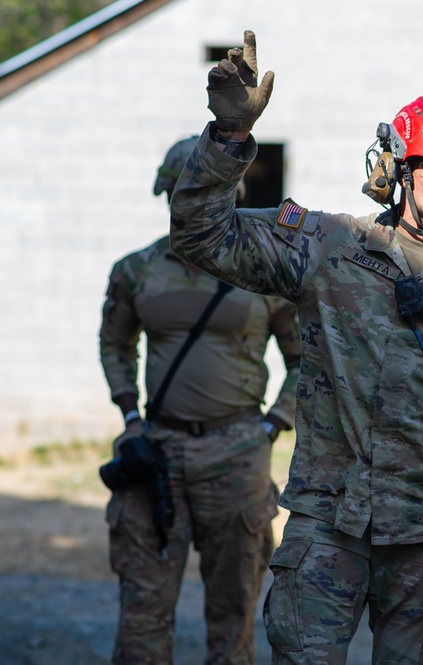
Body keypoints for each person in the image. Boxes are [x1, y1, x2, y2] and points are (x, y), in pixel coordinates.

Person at [168, 31, 423, 664]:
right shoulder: (327, 246)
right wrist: (226, 140)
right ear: (398, 170)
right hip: (327, 528)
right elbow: (201, 237)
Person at [99, 135, 302, 664]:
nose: (194, 204)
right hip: (156, 449)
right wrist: (129, 414)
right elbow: (115, 343)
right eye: (186, 192)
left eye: (210, 193)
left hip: (237, 451)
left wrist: (274, 423)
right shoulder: (136, 270)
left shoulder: (264, 271)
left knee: (233, 615)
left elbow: (308, 358)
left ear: (231, 195)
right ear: (169, 193)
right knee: (142, 613)